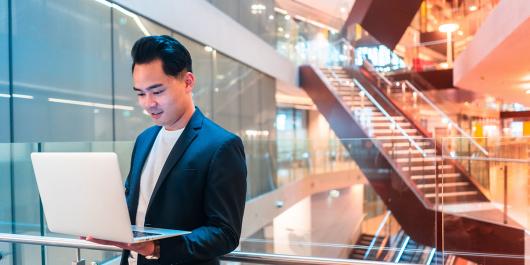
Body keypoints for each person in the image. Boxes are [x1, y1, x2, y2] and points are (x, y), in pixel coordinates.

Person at [87, 35, 247, 265]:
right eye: (140, 93)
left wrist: (157, 248)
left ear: (188, 82)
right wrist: (106, 220)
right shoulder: (144, 139)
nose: (147, 103)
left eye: (157, 91)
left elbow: (225, 233)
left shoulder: (221, 145)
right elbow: (138, 204)